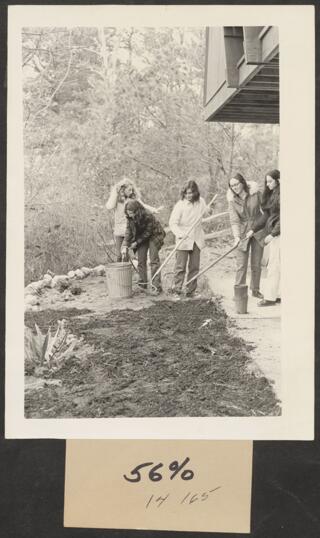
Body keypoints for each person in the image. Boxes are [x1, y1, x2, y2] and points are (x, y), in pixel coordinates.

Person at [227, 173, 265, 298]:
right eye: (232, 186)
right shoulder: (232, 200)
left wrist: (258, 228)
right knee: (241, 264)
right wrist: (237, 236)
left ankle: (255, 290)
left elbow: (265, 212)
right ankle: (239, 291)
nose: (235, 187)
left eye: (236, 184)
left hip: (258, 230)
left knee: (256, 263)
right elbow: (234, 220)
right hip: (243, 233)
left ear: (242, 182)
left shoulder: (255, 193)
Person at [106, 178, 162, 262]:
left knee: (125, 255)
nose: (131, 192)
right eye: (129, 190)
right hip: (118, 231)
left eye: (132, 190)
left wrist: (154, 209)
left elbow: (143, 206)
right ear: (123, 190)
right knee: (119, 256)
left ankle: (127, 273)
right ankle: (121, 273)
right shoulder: (117, 200)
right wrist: (116, 191)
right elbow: (109, 206)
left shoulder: (133, 199)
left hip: (130, 230)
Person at [169, 180, 209, 298]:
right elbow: (173, 223)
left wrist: (209, 210)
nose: (188, 195)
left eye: (191, 193)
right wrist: (180, 234)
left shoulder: (201, 202)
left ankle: (190, 291)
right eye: (186, 193)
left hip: (197, 238)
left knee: (194, 266)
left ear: (195, 192)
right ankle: (177, 290)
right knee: (180, 267)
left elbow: (205, 212)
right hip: (184, 238)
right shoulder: (180, 205)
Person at [246, 169, 280, 306]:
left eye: (270, 181)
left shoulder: (282, 195)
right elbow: (266, 216)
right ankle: (277, 295)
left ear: (279, 180)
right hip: (275, 233)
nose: (268, 184)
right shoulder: (271, 195)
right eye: (266, 182)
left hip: (279, 234)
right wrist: (253, 230)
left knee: (274, 265)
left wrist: (273, 234)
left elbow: (282, 218)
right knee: (276, 265)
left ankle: (271, 297)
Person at [121, 200, 166, 294]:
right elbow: (128, 232)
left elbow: (148, 233)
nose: (129, 215)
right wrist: (125, 245)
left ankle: (156, 286)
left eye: (131, 213)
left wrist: (136, 243)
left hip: (154, 235)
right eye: (128, 213)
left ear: (137, 211)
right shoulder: (130, 218)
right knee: (141, 260)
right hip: (141, 238)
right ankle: (143, 284)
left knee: (153, 260)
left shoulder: (147, 215)